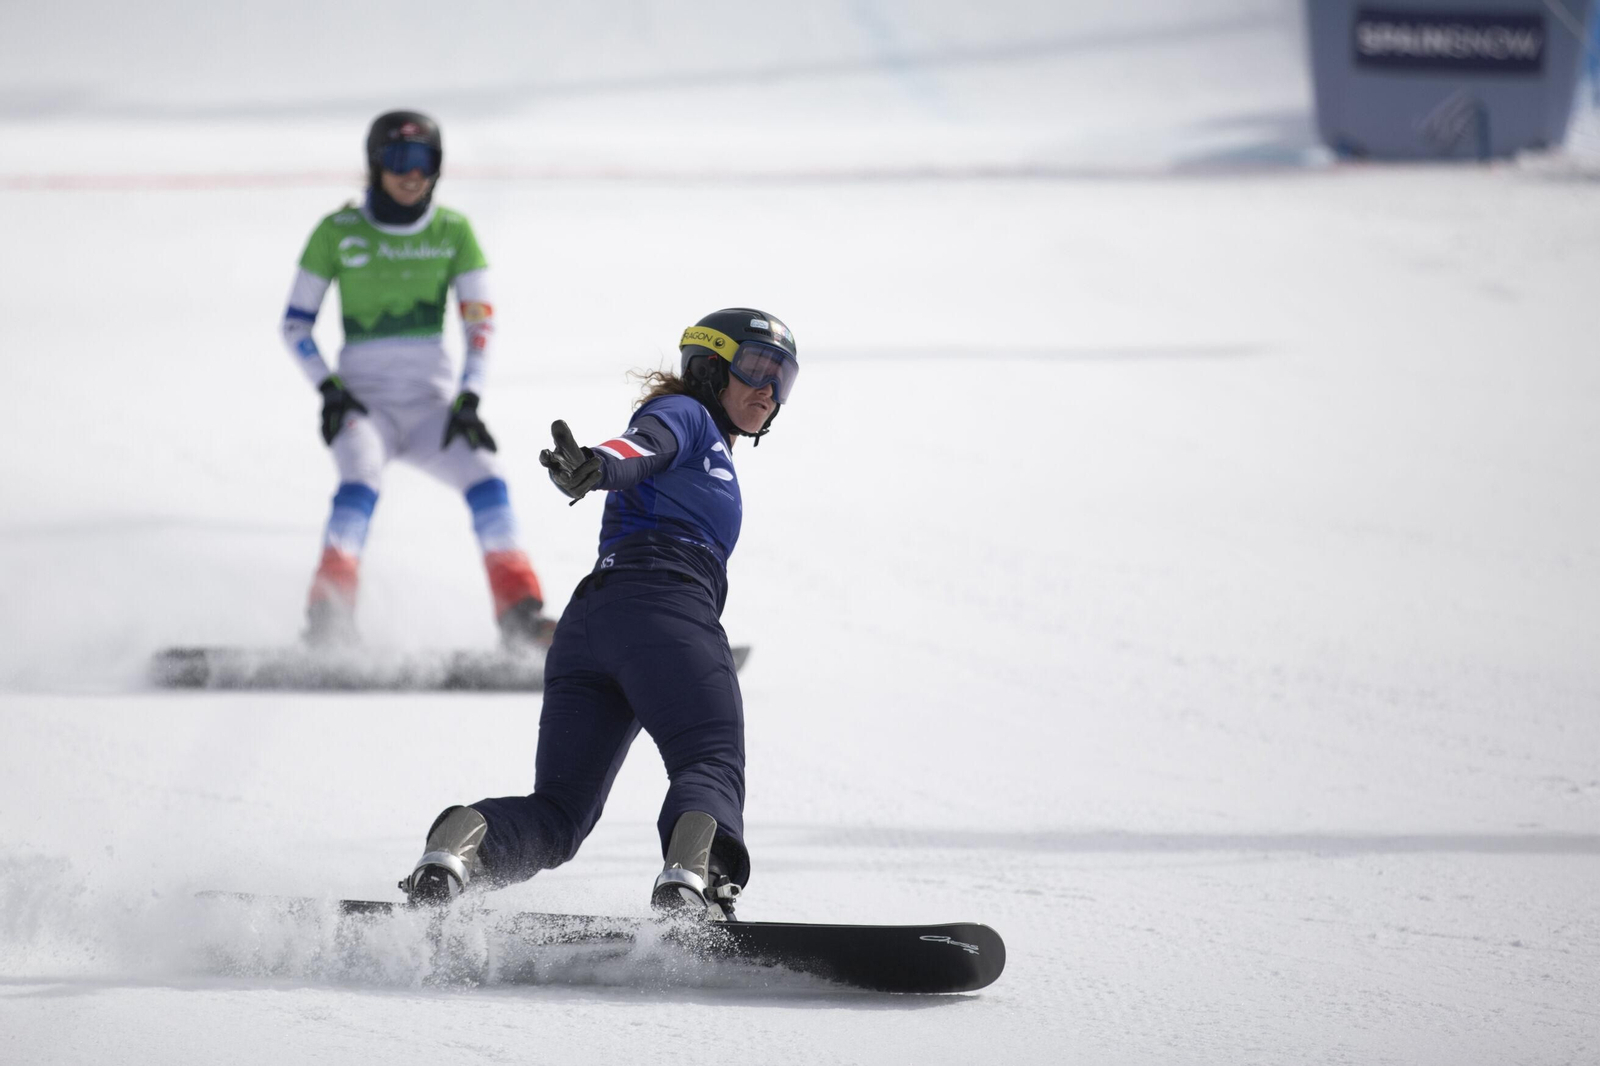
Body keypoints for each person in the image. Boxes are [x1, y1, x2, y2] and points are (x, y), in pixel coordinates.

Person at [399, 308, 800, 920]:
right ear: (710, 367)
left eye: (782, 378)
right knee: (710, 759)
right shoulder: (686, 414)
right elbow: (643, 444)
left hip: (590, 627)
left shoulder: (712, 446)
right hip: (664, 610)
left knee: (559, 813)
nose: (768, 390)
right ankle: (696, 888)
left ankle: (457, 853)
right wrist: (596, 465)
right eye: (754, 367)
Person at [279, 110, 554, 649]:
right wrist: (330, 390)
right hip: (364, 407)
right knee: (359, 478)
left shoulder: (454, 232)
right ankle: (328, 616)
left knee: (486, 476)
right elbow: (295, 324)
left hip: (433, 409)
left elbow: (480, 324)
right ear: (375, 163)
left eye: (425, 162)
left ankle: (520, 617)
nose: (413, 175)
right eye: (400, 160)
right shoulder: (336, 232)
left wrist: (469, 398)